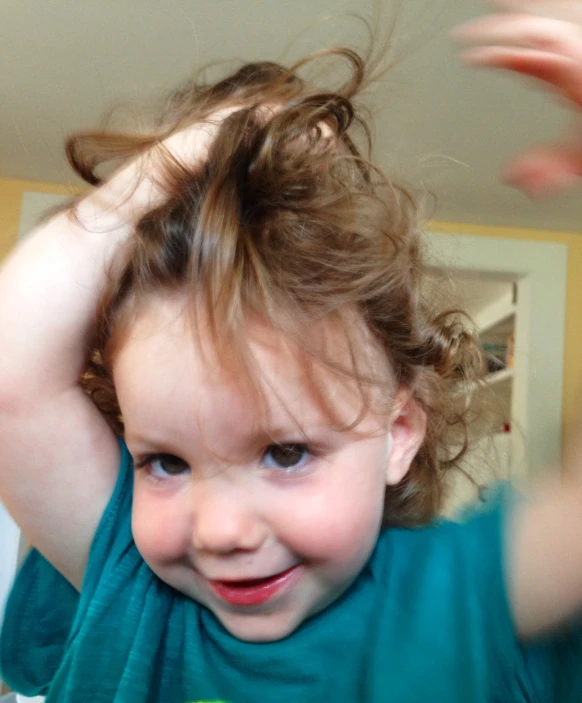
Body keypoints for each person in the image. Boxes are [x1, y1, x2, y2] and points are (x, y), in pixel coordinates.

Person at [0, 1, 581, 701]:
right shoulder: (132, 589)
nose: (220, 530)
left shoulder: (456, 600)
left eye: (286, 452)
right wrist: (203, 149)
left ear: (398, 432)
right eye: (166, 462)